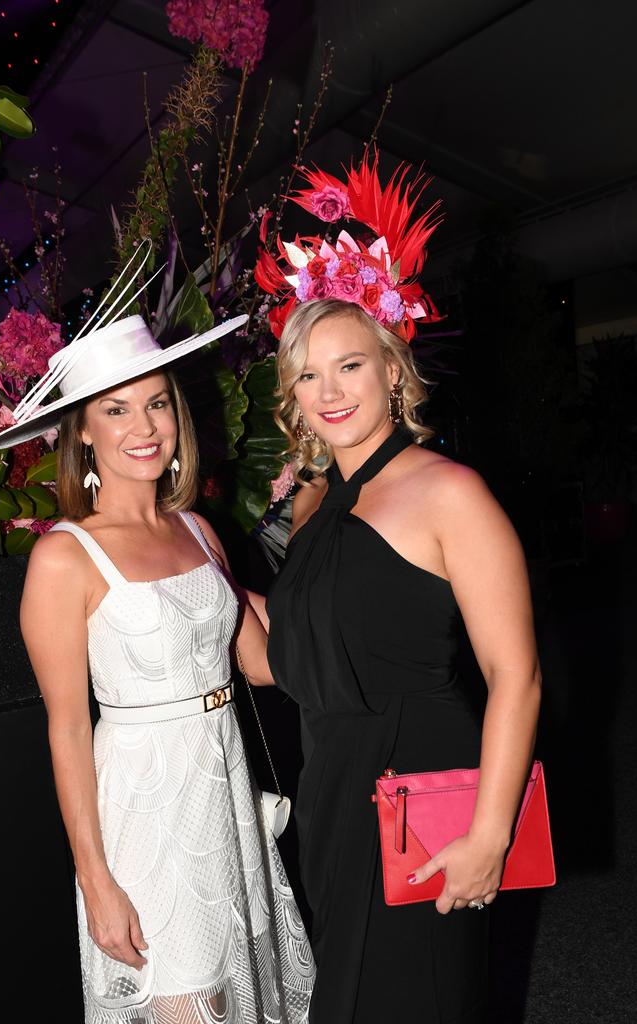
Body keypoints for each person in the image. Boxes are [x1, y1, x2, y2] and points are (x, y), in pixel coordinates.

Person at [256, 157, 542, 1022]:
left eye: (349, 366)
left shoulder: (450, 491)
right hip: (334, 785)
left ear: (391, 367)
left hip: (426, 787)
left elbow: (516, 678)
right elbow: (283, 660)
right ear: (292, 397)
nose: (329, 391)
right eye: (308, 374)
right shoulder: (313, 504)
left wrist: (490, 833)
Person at [0, 290, 315, 1023]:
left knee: (247, 989)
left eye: (158, 404)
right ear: (83, 435)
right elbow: (68, 730)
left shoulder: (198, 531)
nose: (145, 426)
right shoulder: (63, 559)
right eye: (118, 410)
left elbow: (259, 663)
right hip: (145, 808)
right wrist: (96, 880)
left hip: (223, 785)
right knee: (189, 1000)